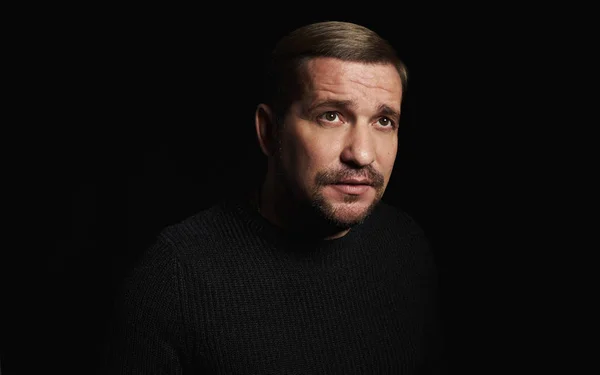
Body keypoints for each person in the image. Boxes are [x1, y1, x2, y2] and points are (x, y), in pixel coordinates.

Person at [104, 20, 445, 374]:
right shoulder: (175, 278)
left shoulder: (406, 245)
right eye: (331, 116)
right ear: (269, 131)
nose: (361, 154)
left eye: (384, 121)